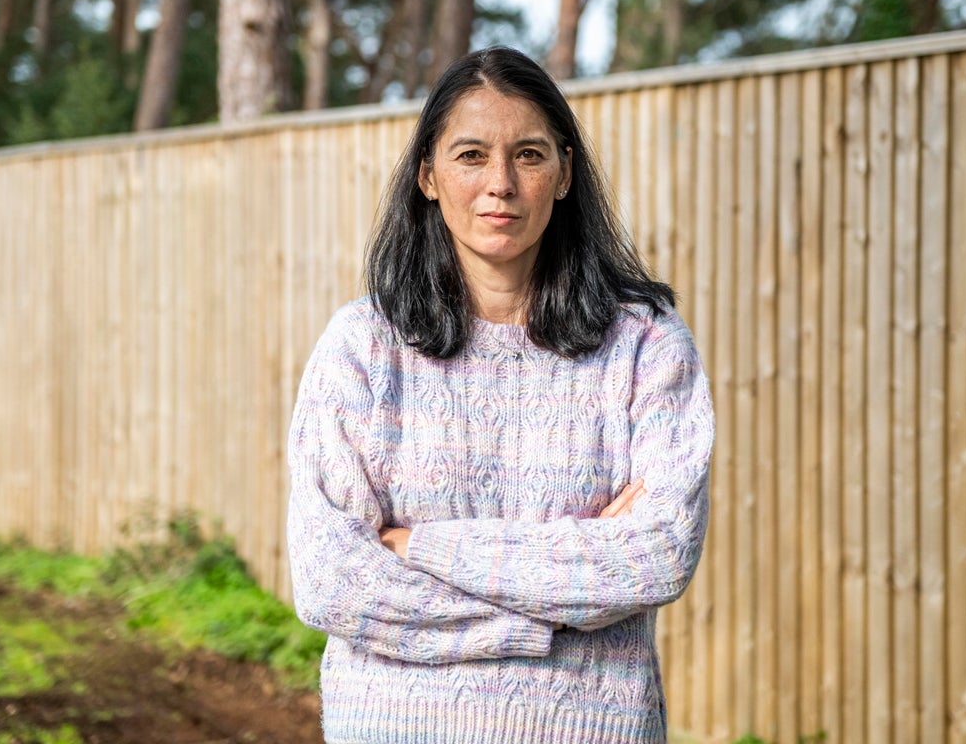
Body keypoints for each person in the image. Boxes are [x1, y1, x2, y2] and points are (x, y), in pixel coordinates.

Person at [286, 46, 713, 744]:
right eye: (471, 156)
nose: (501, 184)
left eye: (529, 155)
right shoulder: (362, 347)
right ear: (428, 175)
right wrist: (556, 604)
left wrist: (416, 546)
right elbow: (331, 581)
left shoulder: (644, 345)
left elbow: (655, 557)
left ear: (565, 173)